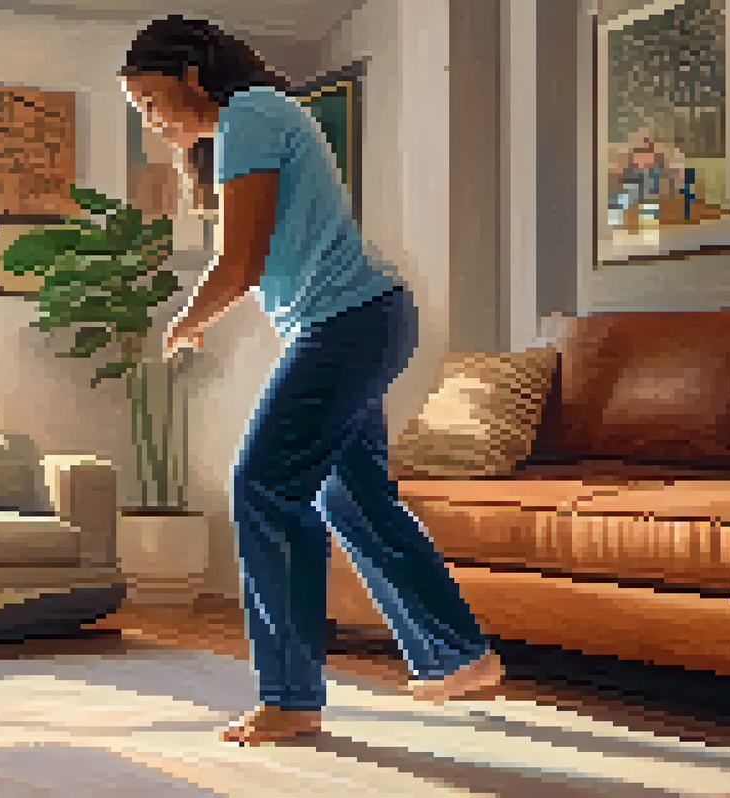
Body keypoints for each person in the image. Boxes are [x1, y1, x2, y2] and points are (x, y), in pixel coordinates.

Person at [119, 16, 505, 745]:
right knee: (351, 495)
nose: (151, 119)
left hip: (350, 325)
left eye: (150, 99)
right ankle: (459, 653)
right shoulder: (253, 121)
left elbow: (239, 262)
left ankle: (291, 695)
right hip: (358, 321)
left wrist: (185, 321)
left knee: (262, 484)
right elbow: (253, 260)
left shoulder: (251, 115)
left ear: (192, 75)